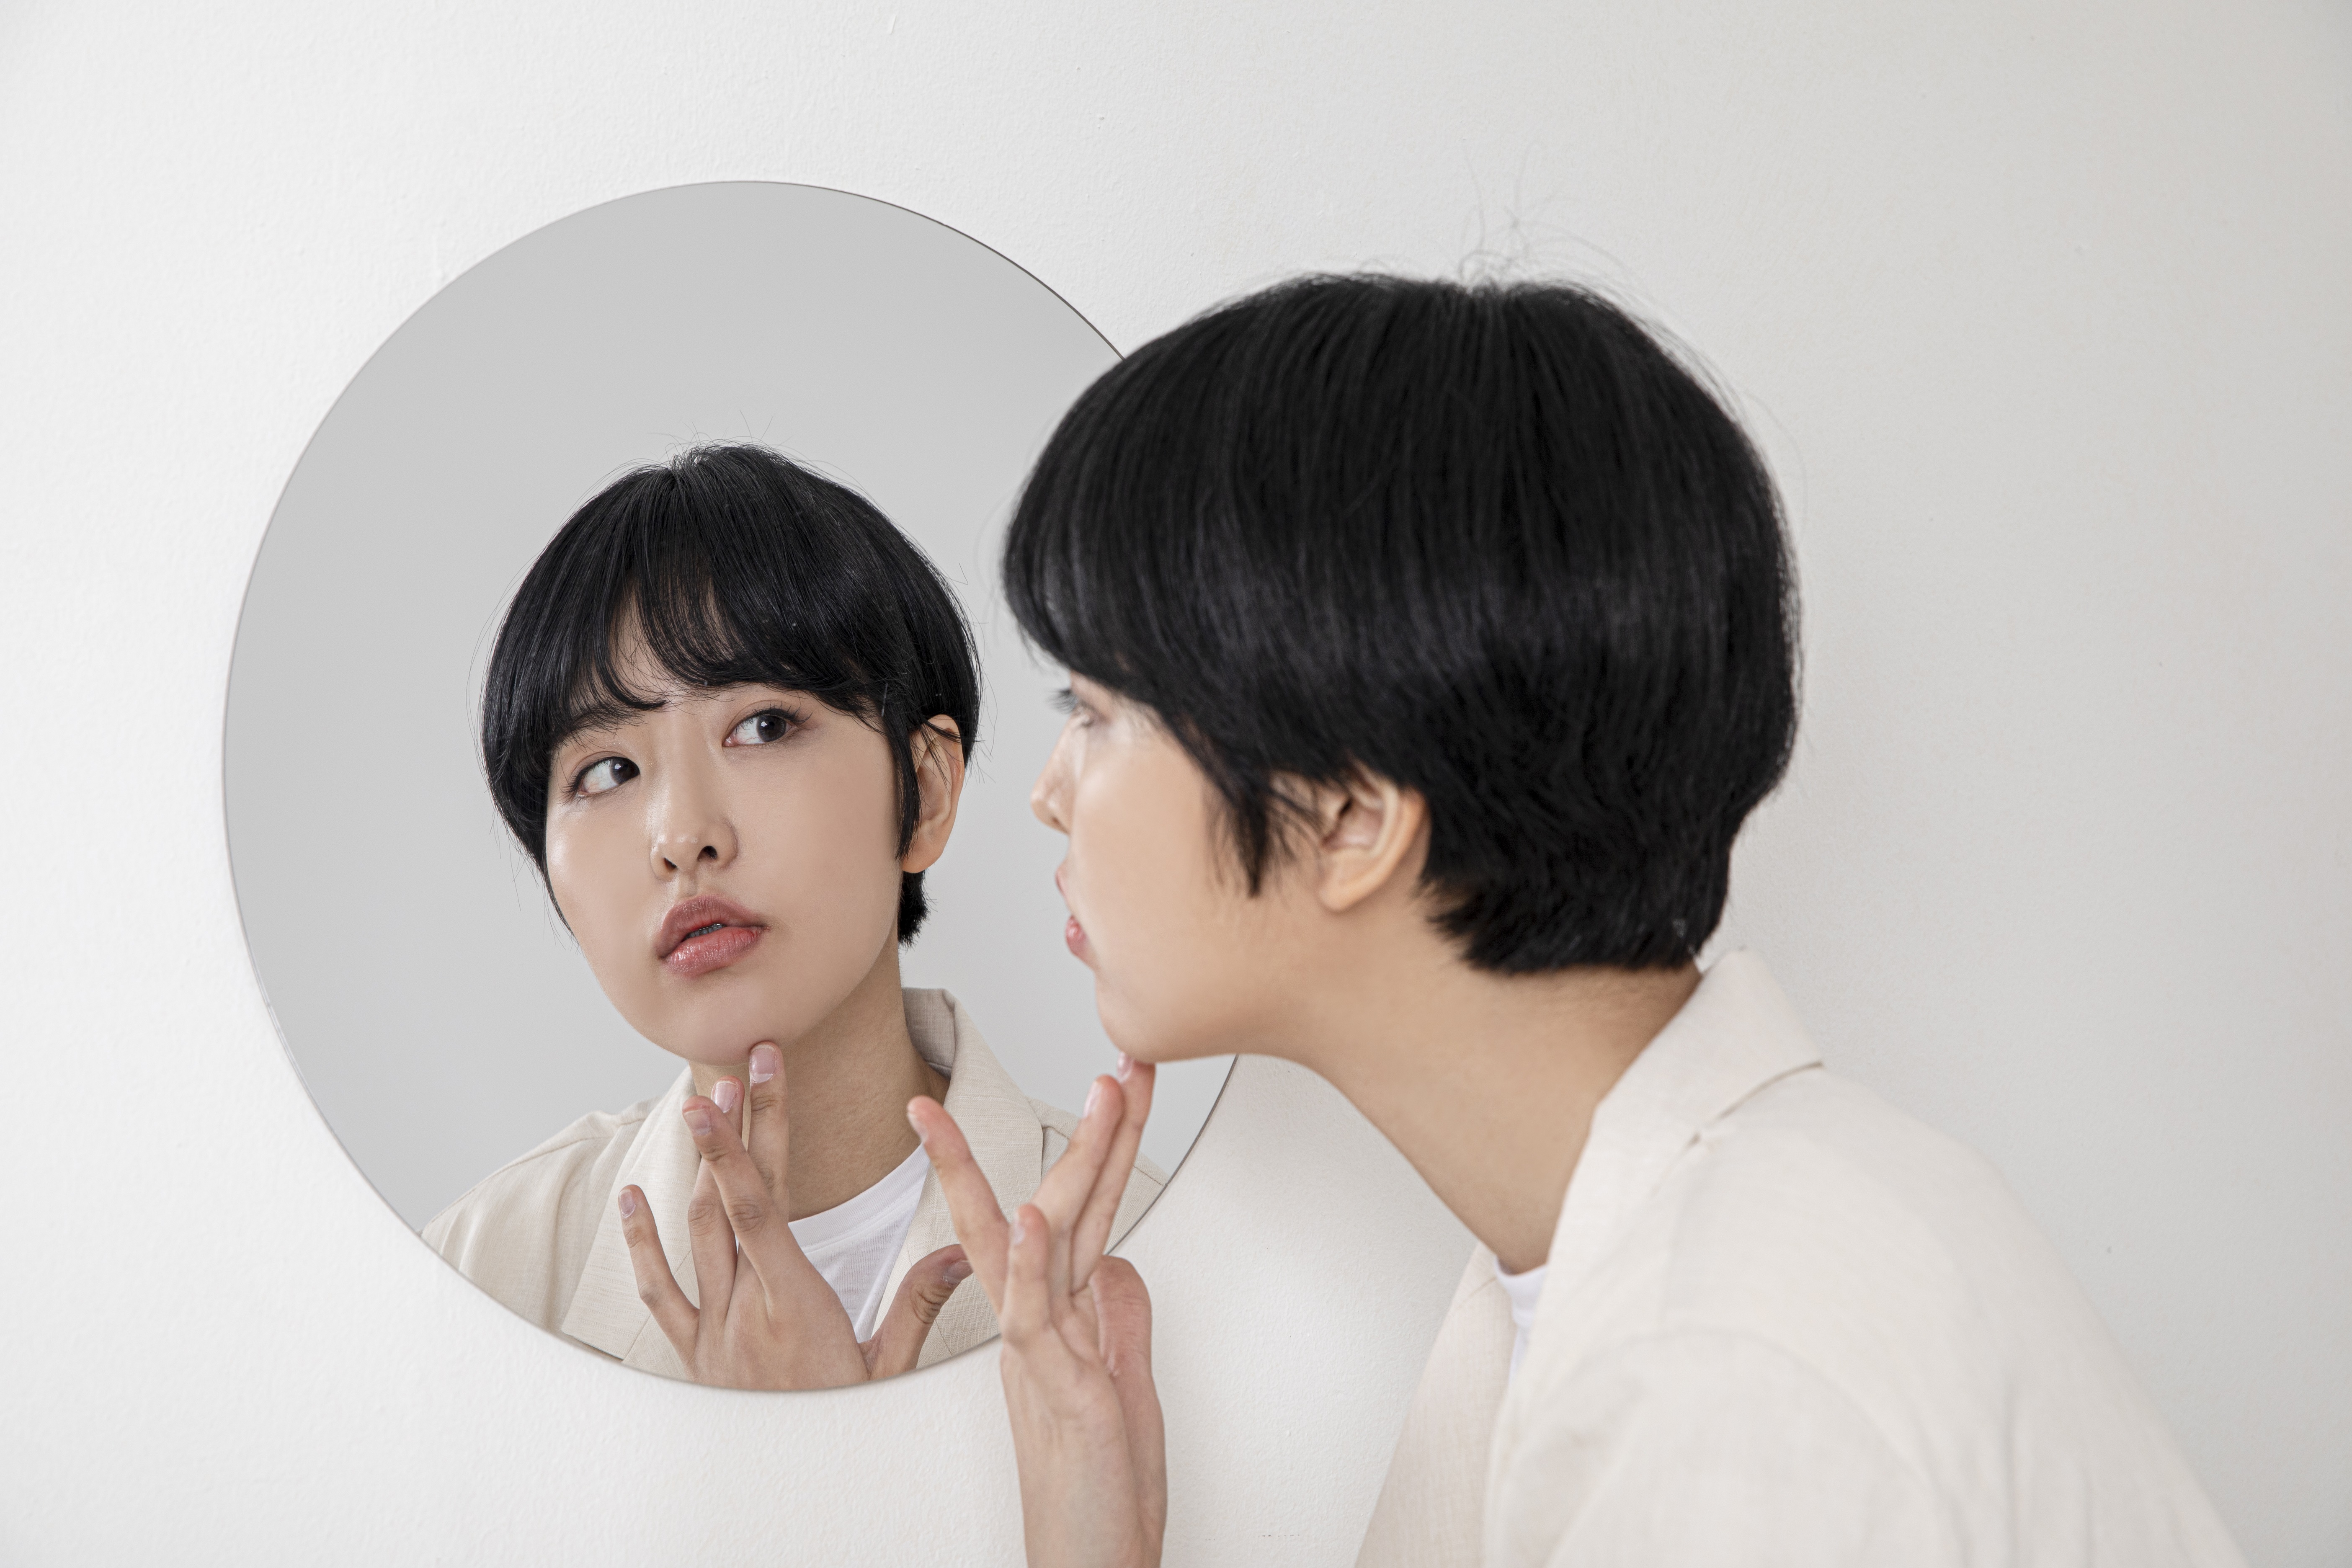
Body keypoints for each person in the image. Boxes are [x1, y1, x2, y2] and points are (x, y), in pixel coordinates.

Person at [888, 275, 2250, 1563]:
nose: (1050, 796)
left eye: (1096, 712)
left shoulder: (1733, 1370)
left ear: (1352, 815)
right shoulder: (1626, 1268)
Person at [421, 441, 1163, 1387]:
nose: (682, 836)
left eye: (761, 726)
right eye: (606, 771)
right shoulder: (474, 1280)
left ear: (926, 792)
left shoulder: (1162, 1248)